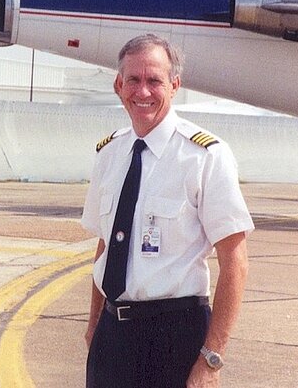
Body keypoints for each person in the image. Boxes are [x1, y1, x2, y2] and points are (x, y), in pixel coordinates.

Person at [81, 34, 254, 388]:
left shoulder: (205, 156)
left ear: (174, 85)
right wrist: (93, 327)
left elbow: (235, 262)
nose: (142, 92)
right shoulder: (109, 154)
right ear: (118, 85)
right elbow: (106, 245)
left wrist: (211, 360)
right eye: (133, 80)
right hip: (111, 340)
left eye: (154, 80)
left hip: (175, 339)